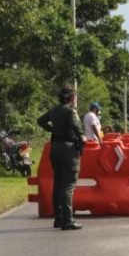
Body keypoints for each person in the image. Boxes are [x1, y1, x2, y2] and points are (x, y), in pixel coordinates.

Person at [37, 86, 86, 230]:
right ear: (71, 98)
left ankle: (58, 219)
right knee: (68, 185)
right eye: (75, 97)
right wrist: (82, 138)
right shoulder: (71, 111)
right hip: (68, 149)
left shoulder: (54, 110)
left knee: (58, 185)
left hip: (55, 148)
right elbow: (77, 128)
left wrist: (52, 129)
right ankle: (68, 220)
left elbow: (40, 121)